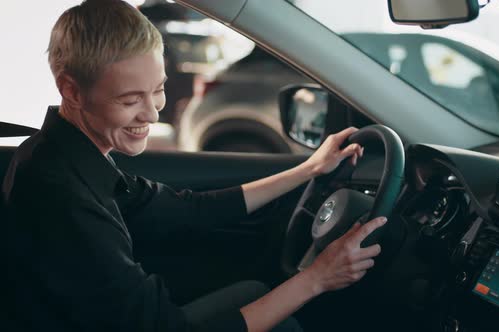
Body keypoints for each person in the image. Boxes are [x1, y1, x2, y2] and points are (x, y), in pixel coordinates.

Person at [1, 1, 387, 331]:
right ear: (72, 90)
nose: (153, 112)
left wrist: (308, 169)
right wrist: (317, 279)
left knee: (256, 293)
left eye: (158, 89)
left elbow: (188, 208)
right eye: (130, 99)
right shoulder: (60, 195)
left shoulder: (70, 157)